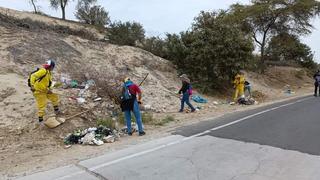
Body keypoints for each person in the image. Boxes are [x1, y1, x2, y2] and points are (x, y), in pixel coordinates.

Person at [30, 59, 60, 125]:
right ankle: (40, 120)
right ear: (51, 66)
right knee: (42, 105)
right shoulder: (43, 71)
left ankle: (57, 110)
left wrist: (49, 89)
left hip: (45, 90)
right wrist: (32, 85)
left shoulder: (48, 72)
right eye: (52, 67)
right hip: (39, 91)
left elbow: (47, 82)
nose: (53, 68)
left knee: (54, 97)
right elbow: (33, 76)